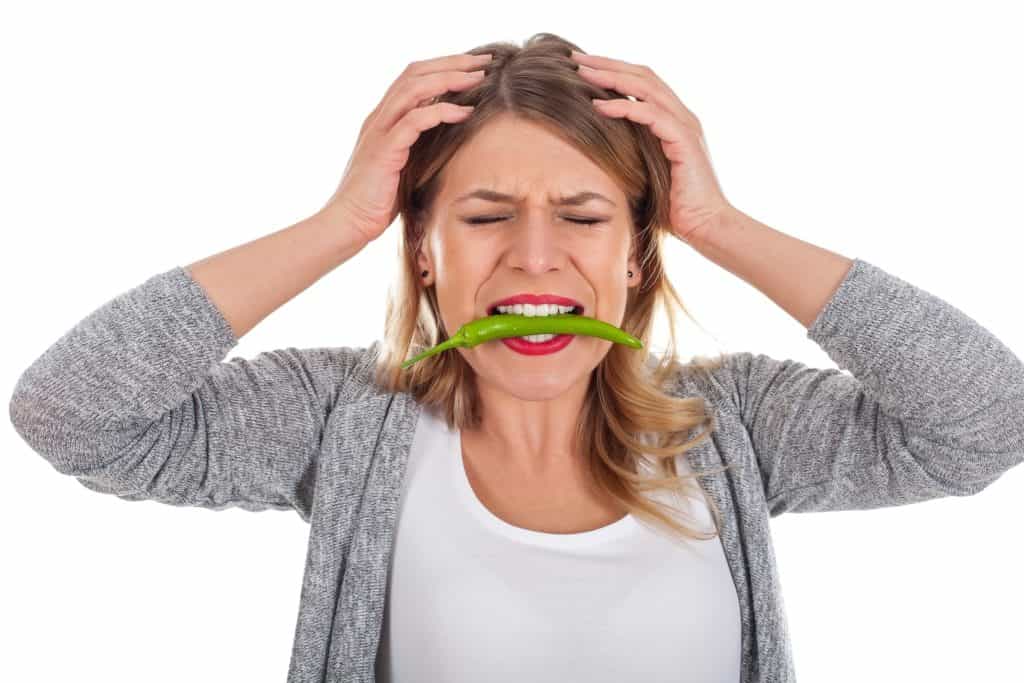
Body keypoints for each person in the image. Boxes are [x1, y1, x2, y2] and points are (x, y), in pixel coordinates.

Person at [10, 33, 1024, 683]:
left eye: (582, 216)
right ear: (421, 246)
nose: (534, 255)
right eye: (485, 214)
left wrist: (718, 222)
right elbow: (70, 412)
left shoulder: (734, 425)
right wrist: (339, 220)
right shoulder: (345, 418)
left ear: (635, 253)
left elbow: (986, 419)